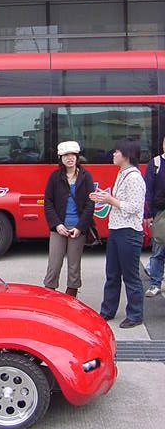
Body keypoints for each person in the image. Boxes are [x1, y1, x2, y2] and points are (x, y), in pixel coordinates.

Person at [90, 139, 146, 329]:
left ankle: (135, 314)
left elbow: (134, 207)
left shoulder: (134, 177)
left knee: (130, 276)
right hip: (116, 229)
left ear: (127, 155)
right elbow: (119, 202)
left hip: (129, 231)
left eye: (117, 152)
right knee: (112, 273)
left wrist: (110, 200)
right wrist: (103, 198)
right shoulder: (122, 173)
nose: (113, 154)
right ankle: (107, 310)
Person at [43, 141, 95, 297]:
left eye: (73, 155)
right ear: (61, 158)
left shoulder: (85, 176)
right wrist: (57, 225)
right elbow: (48, 202)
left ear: (77, 157)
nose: (70, 158)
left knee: (74, 264)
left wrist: (80, 227)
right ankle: (49, 292)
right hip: (59, 227)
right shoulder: (55, 177)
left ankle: (72, 294)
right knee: (54, 263)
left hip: (77, 228)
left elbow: (90, 203)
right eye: (66, 155)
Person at [143, 136, 165, 297]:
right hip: (160, 214)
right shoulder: (156, 163)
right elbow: (148, 190)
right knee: (158, 250)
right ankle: (155, 284)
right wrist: (149, 214)